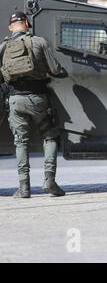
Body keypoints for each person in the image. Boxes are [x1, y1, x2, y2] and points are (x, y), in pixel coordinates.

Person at [0, 12, 66, 198]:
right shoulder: (39, 42)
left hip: (15, 101)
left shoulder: (4, 47)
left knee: (21, 142)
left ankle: (24, 188)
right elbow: (55, 70)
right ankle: (49, 180)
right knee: (50, 136)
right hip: (38, 100)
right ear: (27, 24)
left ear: (10, 27)